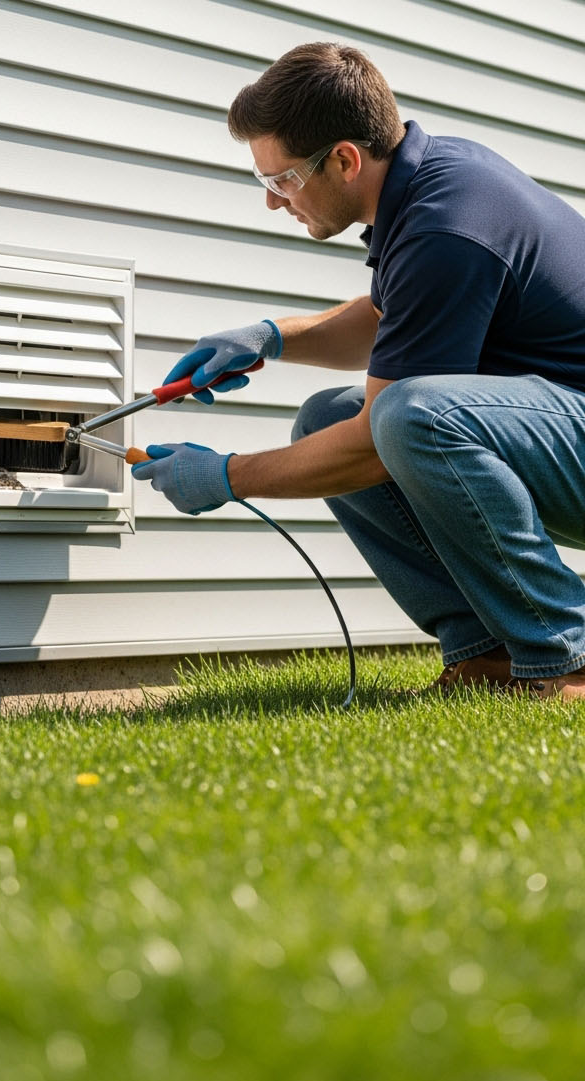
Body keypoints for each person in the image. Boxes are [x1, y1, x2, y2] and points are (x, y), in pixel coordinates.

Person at [132, 41, 585, 700]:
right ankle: (487, 656)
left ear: (345, 159)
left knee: (406, 418)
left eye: (281, 179)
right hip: (565, 432)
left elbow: (380, 440)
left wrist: (226, 476)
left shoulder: (445, 226)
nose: (274, 201)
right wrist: (268, 338)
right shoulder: (432, 184)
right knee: (332, 414)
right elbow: (389, 320)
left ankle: (567, 656)